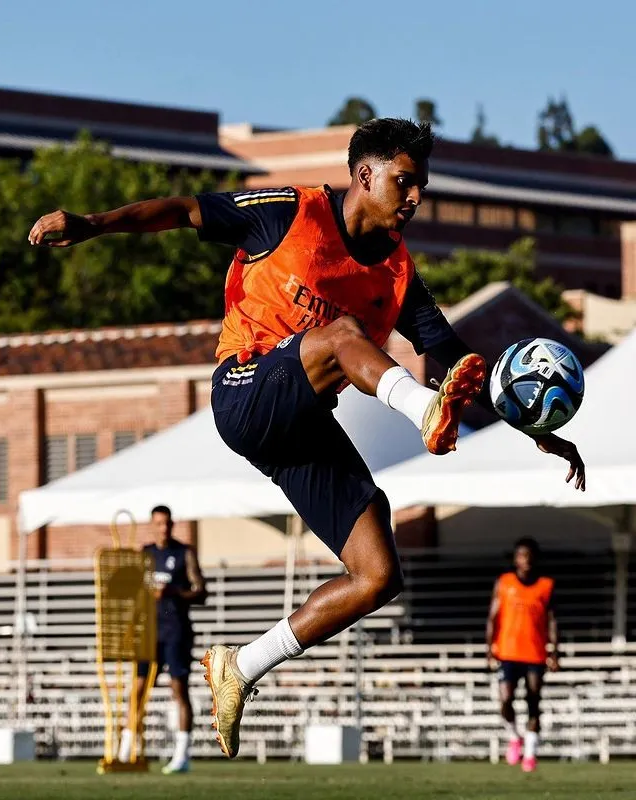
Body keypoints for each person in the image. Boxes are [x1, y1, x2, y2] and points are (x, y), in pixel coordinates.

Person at [29, 117, 585, 759]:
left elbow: (461, 362)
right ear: (364, 175)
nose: (415, 198)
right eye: (405, 182)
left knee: (379, 574)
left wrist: (533, 427)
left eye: (421, 187)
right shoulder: (291, 211)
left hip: (300, 424)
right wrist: (92, 224)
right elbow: (184, 211)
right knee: (345, 334)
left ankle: (242, 664)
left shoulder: (401, 277)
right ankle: (418, 407)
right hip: (243, 392)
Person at [117, 505, 206, 773]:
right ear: (152, 524)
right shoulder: (145, 554)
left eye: (167, 523)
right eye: (158, 523)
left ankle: (182, 755)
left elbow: (200, 591)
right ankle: (126, 749)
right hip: (149, 632)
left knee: (178, 690)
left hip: (176, 631)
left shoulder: (184, 553)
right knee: (138, 689)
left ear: (172, 524)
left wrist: (173, 591)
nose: (163, 528)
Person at [486, 537, 559, 772]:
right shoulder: (505, 583)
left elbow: (552, 620)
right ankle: (514, 736)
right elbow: (493, 617)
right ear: (515, 558)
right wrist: (489, 648)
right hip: (507, 652)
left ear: (535, 558)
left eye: (529, 556)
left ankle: (530, 753)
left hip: (535, 653)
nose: (525, 560)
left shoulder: (546, 585)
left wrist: (554, 651)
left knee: (533, 701)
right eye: (521, 555)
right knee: (505, 699)